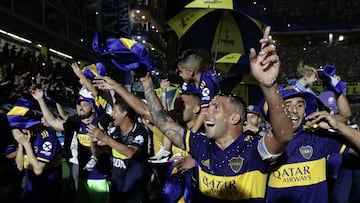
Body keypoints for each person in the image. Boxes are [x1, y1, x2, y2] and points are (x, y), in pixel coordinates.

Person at [140, 26, 294, 202]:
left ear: (235, 118)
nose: (206, 113)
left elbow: (284, 136)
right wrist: (146, 82)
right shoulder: (201, 145)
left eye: (215, 107)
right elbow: (164, 123)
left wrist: (269, 87)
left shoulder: (253, 149)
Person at [261, 86, 360, 203]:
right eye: (287, 104)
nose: (294, 110)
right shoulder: (262, 144)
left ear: (304, 113)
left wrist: (338, 126)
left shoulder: (318, 137)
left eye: (300, 105)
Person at [31, 87, 111, 203]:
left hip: (100, 178)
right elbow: (53, 121)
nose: (80, 107)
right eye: (78, 104)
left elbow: (102, 150)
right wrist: (40, 100)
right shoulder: (75, 123)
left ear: (93, 107)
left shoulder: (101, 123)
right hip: (83, 177)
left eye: (84, 104)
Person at [87, 98, 149, 203]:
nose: (112, 115)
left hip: (134, 194)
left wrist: (105, 138)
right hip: (116, 192)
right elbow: (98, 152)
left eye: (115, 111)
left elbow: (130, 153)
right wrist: (93, 141)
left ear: (124, 114)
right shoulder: (114, 131)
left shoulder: (140, 131)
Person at [7, 97, 62, 203]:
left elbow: (38, 170)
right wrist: (21, 144)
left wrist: (27, 145)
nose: (22, 130)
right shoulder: (27, 138)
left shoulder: (48, 138)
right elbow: (19, 166)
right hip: (29, 192)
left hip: (46, 194)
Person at [176, 48, 221, 133]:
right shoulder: (187, 84)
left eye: (181, 71)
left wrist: (192, 134)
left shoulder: (207, 84)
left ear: (190, 72)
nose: (180, 74)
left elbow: (204, 110)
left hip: (209, 124)